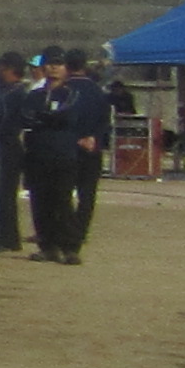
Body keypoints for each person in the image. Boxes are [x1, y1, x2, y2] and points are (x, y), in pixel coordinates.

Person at [24, 49, 114, 265]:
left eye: (59, 64)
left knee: (63, 201)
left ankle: (70, 246)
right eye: (50, 64)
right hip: (38, 153)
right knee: (40, 202)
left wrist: (46, 118)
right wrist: (47, 118)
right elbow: (27, 117)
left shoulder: (72, 94)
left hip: (65, 153)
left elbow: (68, 116)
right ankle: (47, 245)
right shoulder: (35, 95)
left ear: (67, 68)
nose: (54, 68)